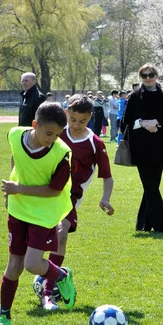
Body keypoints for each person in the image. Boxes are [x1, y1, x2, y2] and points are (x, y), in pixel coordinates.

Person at [0, 103, 77, 325]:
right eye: (48, 133)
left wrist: (18, 188)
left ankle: (61, 276)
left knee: (32, 264)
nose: (52, 139)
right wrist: (12, 190)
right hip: (18, 208)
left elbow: (54, 190)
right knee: (14, 266)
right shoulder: (14, 135)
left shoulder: (62, 153)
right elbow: (16, 158)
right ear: (35, 125)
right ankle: (4, 317)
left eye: (57, 135)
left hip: (44, 211)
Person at [40, 95, 115, 310]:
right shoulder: (57, 134)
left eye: (82, 121)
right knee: (33, 243)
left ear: (90, 118)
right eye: (72, 120)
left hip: (70, 197)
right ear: (67, 114)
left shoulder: (95, 143)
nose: (76, 125)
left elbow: (107, 176)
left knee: (61, 233)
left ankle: (48, 292)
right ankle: (52, 273)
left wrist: (105, 198)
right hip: (46, 190)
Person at [121, 64, 163, 233]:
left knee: (152, 186)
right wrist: (142, 123)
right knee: (150, 186)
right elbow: (124, 123)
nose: (148, 78)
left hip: (160, 148)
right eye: (144, 76)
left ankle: (143, 224)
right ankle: (162, 226)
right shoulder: (134, 97)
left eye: (150, 75)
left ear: (156, 76)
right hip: (140, 149)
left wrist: (158, 122)